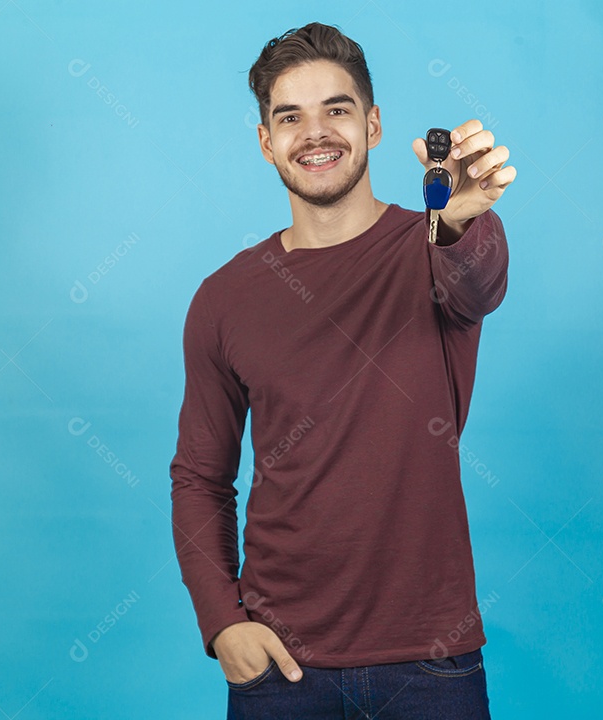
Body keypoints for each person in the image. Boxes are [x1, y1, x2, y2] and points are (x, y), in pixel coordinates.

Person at [169, 20, 516, 719]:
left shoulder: (431, 247)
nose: (315, 133)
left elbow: (479, 284)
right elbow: (200, 476)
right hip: (281, 671)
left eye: (337, 109)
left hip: (430, 664)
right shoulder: (224, 297)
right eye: (290, 117)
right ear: (266, 142)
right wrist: (222, 623)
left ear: (374, 124)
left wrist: (454, 222)